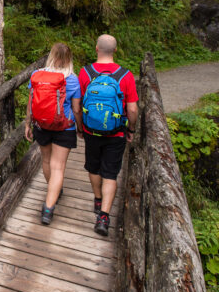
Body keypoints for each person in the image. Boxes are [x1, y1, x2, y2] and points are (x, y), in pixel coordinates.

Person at [78, 34, 138, 236]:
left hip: (90, 130)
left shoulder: (85, 73)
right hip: (116, 132)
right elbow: (132, 109)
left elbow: (78, 106)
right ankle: (103, 215)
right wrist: (130, 129)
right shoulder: (126, 75)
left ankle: (97, 198)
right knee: (110, 173)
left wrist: (80, 127)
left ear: (96, 48)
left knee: (93, 166)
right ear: (115, 50)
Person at [24, 42, 83, 225]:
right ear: (69, 59)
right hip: (64, 127)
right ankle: (48, 208)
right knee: (58, 166)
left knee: (47, 161)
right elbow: (76, 109)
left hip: (41, 125)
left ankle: (53, 190)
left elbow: (31, 101)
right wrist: (80, 128)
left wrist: (28, 123)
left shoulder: (37, 75)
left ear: (51, 55)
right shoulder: (72, 79)